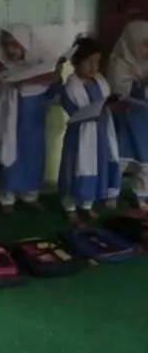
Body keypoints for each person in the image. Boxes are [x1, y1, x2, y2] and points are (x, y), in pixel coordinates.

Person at [0, 24, 62, 213]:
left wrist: (56, 79)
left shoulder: (41, 65)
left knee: (32, 157)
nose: (10, 50)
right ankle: (6, 198)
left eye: (15, 45)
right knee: (8, 156)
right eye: (6, 45)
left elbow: (51, 96)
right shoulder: (2, 67)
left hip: (33, 124)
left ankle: (30, 195)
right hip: (9, 123)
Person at [59, 37, 120, 221]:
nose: (94, 67)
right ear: (76, 62)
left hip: (100, 134)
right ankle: (70, 206)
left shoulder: (100, 82)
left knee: (97, 166)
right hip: (80, 137)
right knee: (75, 168)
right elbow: (73, 112)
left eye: (97, 62)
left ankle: (87, 205)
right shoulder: (71, 86)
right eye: (89, 62)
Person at [107, 21, 148, 210]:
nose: (147, 51)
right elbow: (118, 91)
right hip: (123, 120)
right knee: (119, 158)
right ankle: (112, 193)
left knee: (145, 159)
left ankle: (141, 194)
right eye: (144, 45)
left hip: (143, 121)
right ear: (132, 42)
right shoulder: (118, 63)